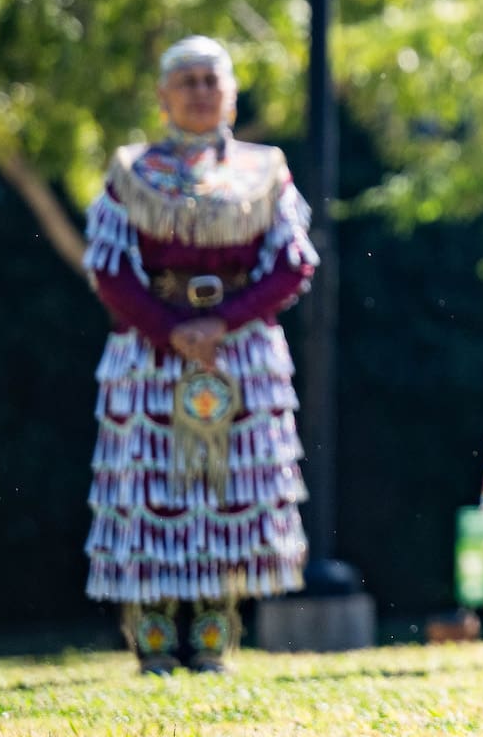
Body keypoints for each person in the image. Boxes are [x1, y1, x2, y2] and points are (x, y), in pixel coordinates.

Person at [81, 36, 315, 674]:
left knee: (227, 488)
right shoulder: (133, 170)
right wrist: (168, 328)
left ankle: (213, 641)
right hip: (151, 356)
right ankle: (153, 645)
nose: (199, 92)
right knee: (153, 487)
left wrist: (223, 321)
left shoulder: (265, 168)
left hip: (238, 354)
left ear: (231, 93)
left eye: (210, 80)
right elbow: (107, 268)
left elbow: (292, 263)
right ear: (163, 97)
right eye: (185, 81)